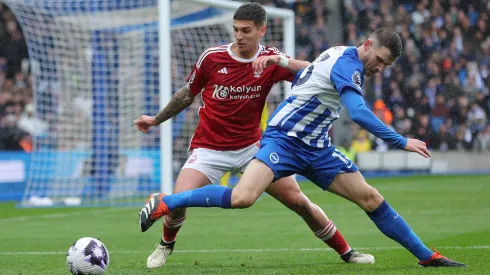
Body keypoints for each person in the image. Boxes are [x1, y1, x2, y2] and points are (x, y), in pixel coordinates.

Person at [139, 27, 466, 268]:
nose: (379, 68)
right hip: (284, 139)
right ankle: (167, 202)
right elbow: (359, 113)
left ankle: (427, 257)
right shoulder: (348, 65)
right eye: (379, 60)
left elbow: (309, 71)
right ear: (367, 46)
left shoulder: (338, 53)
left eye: (385, 66)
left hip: (317, 148)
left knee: (369, 197)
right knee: (243, 198)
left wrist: (280, 60)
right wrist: (400, 141)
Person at [135, 2, 374, 270]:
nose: (239, 36)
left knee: (299, 202)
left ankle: (347, 252)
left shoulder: (270, 59)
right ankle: (165, 246)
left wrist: (281, 60)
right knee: (178, 202)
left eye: (246, 30)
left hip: (253, 149)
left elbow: (315, 70)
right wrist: (156, 119)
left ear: (262, 30)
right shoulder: (212, 58)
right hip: (209, 148)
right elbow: (186, 94)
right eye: (236, 30)